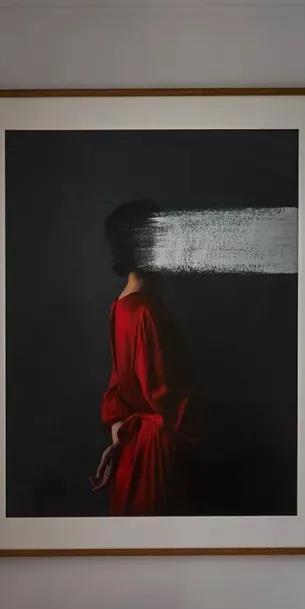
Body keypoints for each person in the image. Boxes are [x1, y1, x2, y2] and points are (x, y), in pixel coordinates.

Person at [91, 200, 189, 515]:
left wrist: (119, 435)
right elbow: (164, 399)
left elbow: (118, 387)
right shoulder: (145, 311)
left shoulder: (122, 305)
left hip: (135, 449)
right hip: (157, 452)